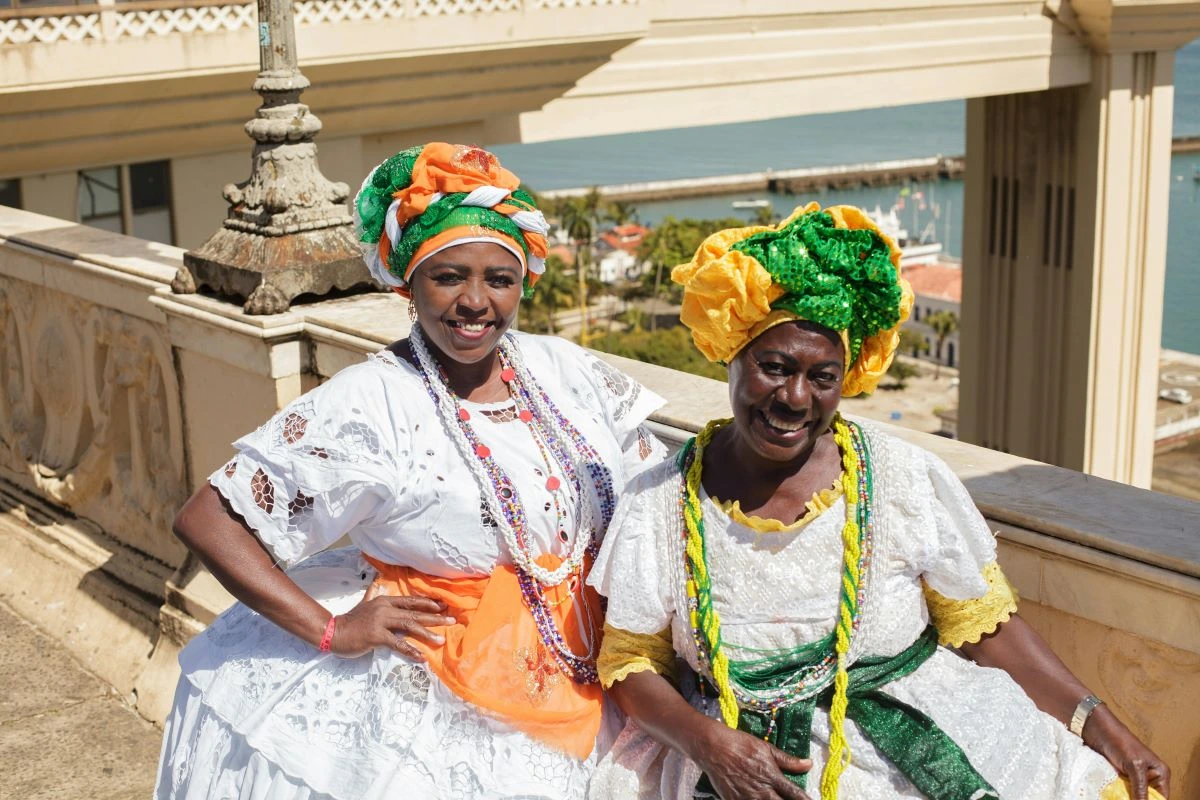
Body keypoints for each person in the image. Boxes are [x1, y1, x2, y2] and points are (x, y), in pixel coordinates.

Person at [586, 203, 1170, 800]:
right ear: (730, 353)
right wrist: (708, 742)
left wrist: (1102, 725)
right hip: (733, 764)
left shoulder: (901, 480)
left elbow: (984, 628)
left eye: (822, 377)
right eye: (774, 366)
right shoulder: (660, 502)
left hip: (919, 748)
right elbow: (632, 661)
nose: (794, 398)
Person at [154, 142, 667, 800]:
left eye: (498, 279)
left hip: (594, 665)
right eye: (449, 276)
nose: (475, 302)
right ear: (409, 283)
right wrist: (333, 630)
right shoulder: (372, 401)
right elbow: (208, 519)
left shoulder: (562, 369)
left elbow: (658, 483)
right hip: (447, 696)